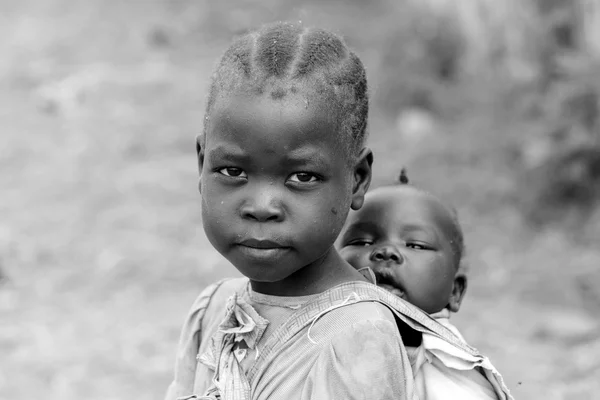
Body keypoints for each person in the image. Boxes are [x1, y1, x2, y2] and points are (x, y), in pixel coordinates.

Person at [165, 22, 431, 400]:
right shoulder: (213, 310)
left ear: (356, 180)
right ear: (201, 165)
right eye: (233, 171)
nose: (262, 207)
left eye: (302, 177)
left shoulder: (355, 340)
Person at [336, 169, 514, 400]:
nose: (386, 252)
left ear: (455, 291)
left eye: (416, 245)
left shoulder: (460, 383)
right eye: (362, 241)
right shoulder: (309, 346)